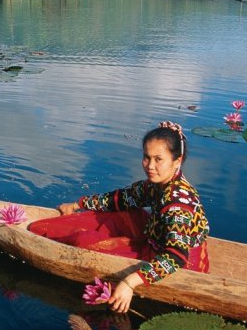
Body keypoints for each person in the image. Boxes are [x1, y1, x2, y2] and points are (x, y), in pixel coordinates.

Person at [38, 121, 210, 314]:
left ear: (177, 161)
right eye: (146, 157)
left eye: (158, 159)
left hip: (179, 266)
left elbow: (176, 257)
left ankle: (56, 238)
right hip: (156, 240)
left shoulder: (179, 205)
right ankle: (55, 231)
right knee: (125, 212)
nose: (150, 166)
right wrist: (78, 204)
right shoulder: (159, 183)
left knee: (85, 241)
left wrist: (129, 283)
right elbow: (121, 198)